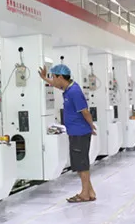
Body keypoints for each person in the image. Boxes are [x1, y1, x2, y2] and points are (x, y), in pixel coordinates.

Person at [38, 64, 97, 203]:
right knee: (80, 164)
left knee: (81, 165)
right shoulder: (68, 88)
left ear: (60, 77)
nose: (53, 80)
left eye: (53, 77)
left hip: (79, 132)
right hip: (76, 132)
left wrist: (91, 125)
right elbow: (56, 85)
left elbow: (85, 111)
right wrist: (44, 78)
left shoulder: (74, 91)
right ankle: (90, 192)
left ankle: (85, 194)